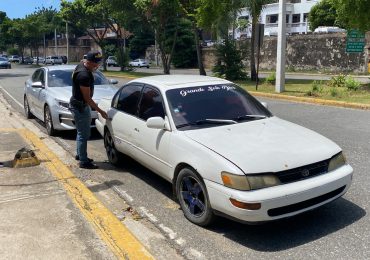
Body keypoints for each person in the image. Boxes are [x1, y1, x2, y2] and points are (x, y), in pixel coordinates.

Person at [69, 50, 108, 169]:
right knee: (84, 134)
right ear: (89, 62)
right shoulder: (84, 75)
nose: (97, 66)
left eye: (98, 63)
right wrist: (100, 111)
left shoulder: (82, 65)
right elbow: (88, 98)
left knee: (81, 132)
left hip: (78, 104)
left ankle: (80, 155)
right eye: (95, 63)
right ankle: (83, 161)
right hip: (80, 106)